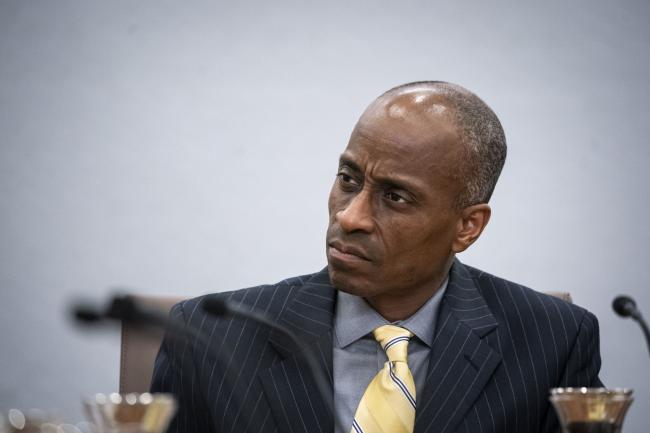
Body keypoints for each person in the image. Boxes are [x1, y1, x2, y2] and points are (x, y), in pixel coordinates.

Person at [151, 81, 602, 433]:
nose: (351, 217)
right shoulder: (210, 339)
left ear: (468, 226)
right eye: (348, 179)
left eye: (396, 197)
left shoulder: (555, 342)